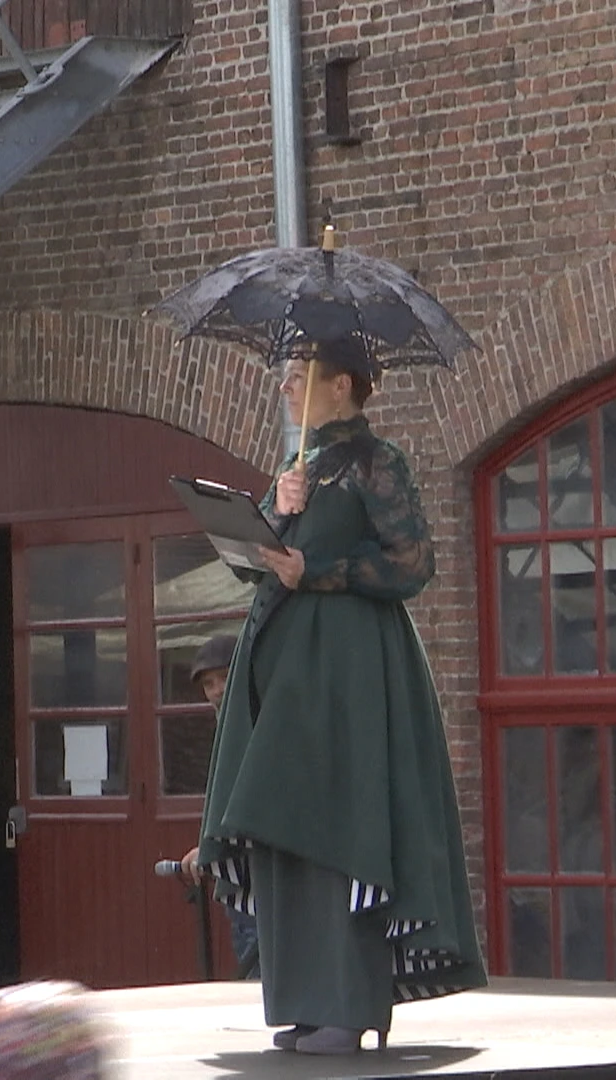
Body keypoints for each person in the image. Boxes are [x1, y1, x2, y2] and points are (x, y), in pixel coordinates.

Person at [184, 336, 486, 1055]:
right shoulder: (301, 469)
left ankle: (348, 1009)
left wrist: (313, 571)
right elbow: (251, 564)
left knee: (338, 828)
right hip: (287, 679)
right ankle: (300, 1001)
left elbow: (413, 564)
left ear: (342, 385)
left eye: (299, 377)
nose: (286, 388)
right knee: (282, 824)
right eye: (286, 375)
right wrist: (278, 516)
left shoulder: (376, 463)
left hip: (348, 677)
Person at [178, 634, 258, 978]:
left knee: (262, 975)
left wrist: (211, 849)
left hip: (259, 875)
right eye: (209, 683)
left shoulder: (253, 727)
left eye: (224, 678)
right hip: (239, 875)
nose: (217, 690)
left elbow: (246, 801)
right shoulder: (224, 730)